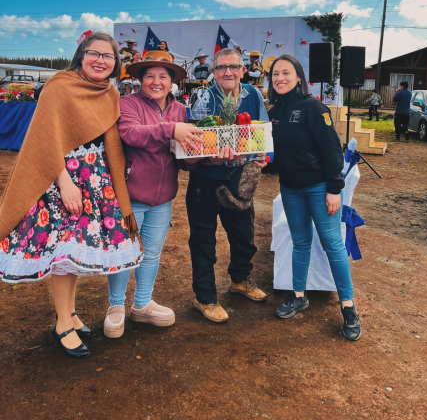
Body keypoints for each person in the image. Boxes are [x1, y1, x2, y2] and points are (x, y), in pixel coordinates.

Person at [0, 32, 143, 358]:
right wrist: (64, 183)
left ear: (115, 63)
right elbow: (45, 139)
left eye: (108, 56)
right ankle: (63, 323)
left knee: (75, 251)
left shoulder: (110, 92)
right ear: (81, 55)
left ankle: (71, 313)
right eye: (94, 53)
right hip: (63, 180)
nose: (101, 61)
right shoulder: (59, 86)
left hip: (96, 181)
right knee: (64, 253)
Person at [104, 51, 203, 337]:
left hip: (163, 199)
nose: (156, 82)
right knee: (124, 252)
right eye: (149, 76)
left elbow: (181, 156)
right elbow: (131, 133)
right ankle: (116, 306)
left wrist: (201, 156)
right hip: (130, 197)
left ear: (172, 82)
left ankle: (142, 304)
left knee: (151, 253)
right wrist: (171, 129)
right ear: (140, 79)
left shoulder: (180, 110)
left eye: (163, 76)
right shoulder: (128, 103)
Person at [267, 54, 361, 341]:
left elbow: (332, 150)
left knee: (332, 244)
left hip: (320, 188)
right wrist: (264, 161)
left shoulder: (313, 107)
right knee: (300, 242)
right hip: (290, 189)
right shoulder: (275, 111)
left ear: (299, 77)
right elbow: (279, 153)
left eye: (286, 72)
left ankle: (348, 307)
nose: (280, 78)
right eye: (275, 74)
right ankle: (298, 296)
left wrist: (334, 189)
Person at [187, 47, 269, 324]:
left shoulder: (253, 94)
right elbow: (192, 137)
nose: (228, 72)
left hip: (240, 178)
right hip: (206, 178)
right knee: (203, 240)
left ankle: (240, 280)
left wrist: (263, 156)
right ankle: (204, 298)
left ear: (243, 70)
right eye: (221, 67)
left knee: (244, 235)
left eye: (233, 66)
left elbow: (262, 130)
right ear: (213, 72)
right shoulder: (203, 97)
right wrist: (207, 156)